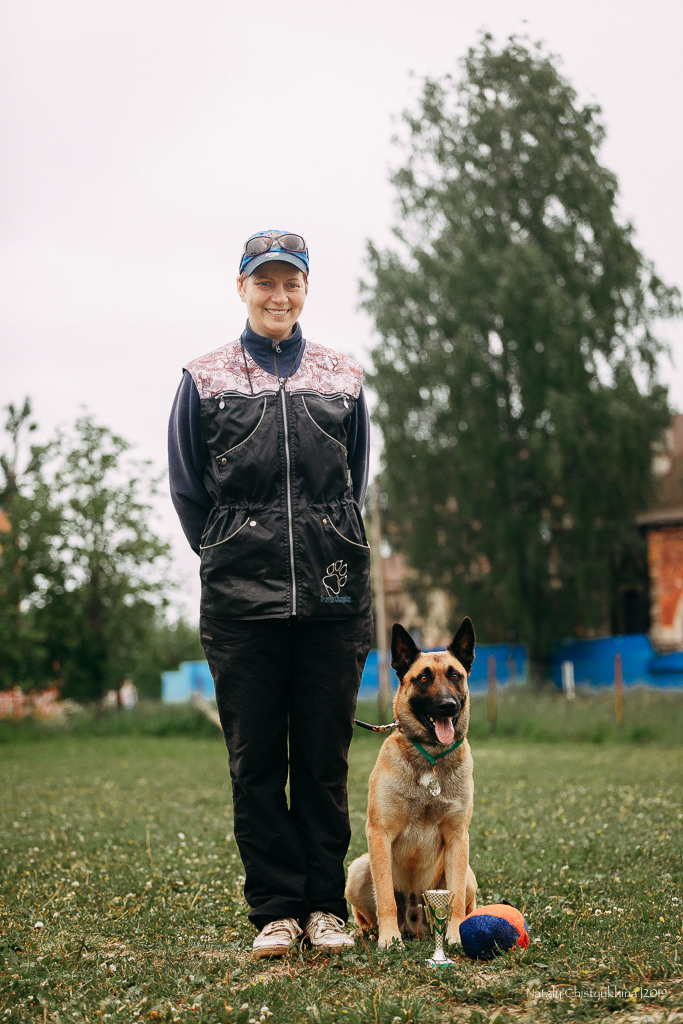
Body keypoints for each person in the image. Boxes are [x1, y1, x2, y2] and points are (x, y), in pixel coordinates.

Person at [168, 229, 373, 958]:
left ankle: (324, 907)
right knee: (255, 762)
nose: (278, 295)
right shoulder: (203, 377)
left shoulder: (342, 376)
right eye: (265, 281)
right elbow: (190, 492)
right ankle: (276, 912)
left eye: (291, 282)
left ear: (306, 289)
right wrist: (236, 554)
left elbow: (354, 480)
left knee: (322, 759)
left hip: (333, 596)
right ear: (242, 287)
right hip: (239, 604)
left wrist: (320, 548)